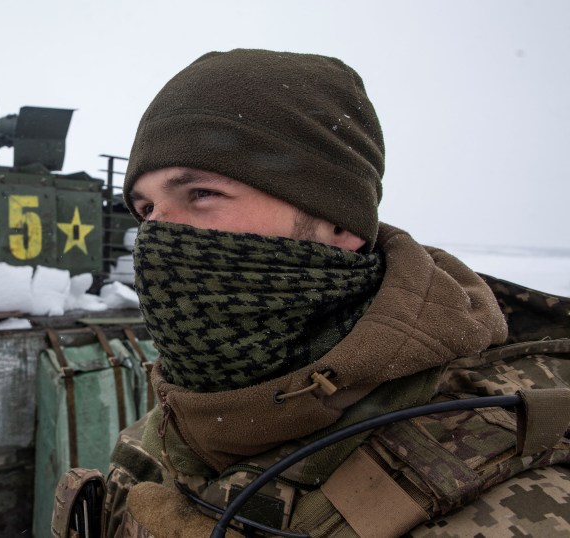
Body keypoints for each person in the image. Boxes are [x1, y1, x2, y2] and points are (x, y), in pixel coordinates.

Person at [62, 49, 570, 537]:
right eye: (146, 209)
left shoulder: (514, 492)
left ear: (336, 222)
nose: (156, 236)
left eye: (202, 194)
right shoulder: (158, 436)